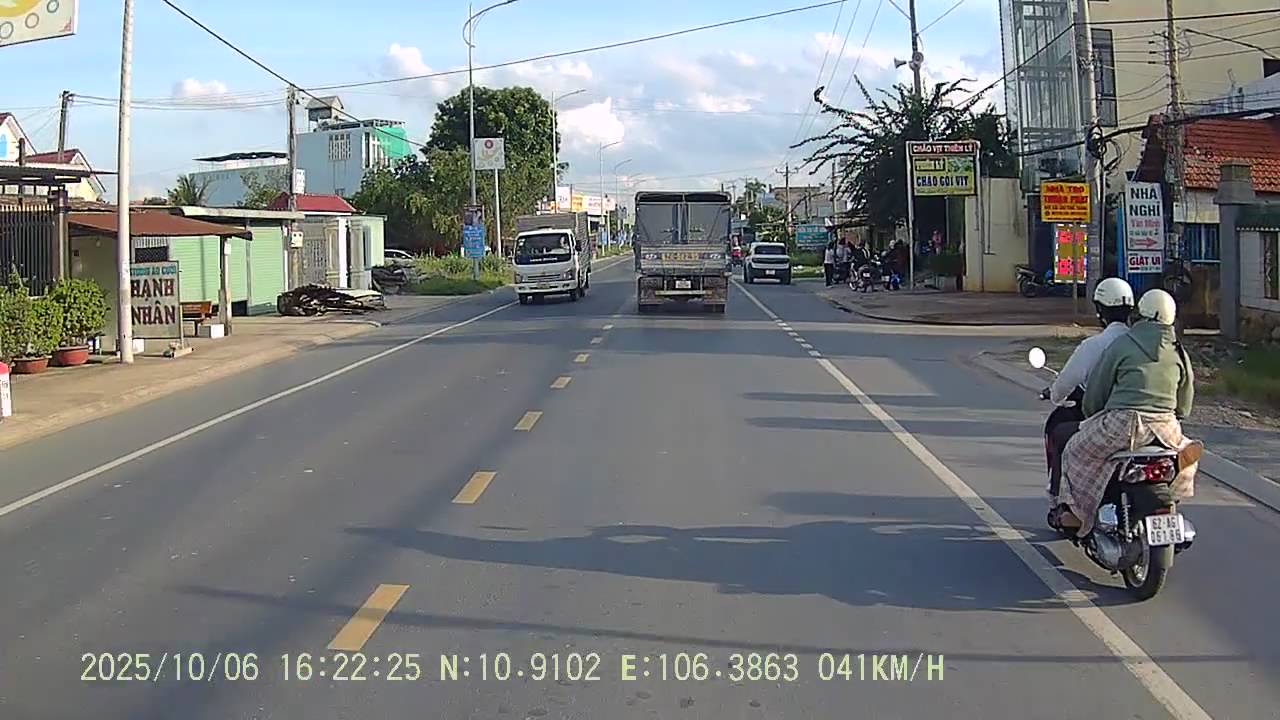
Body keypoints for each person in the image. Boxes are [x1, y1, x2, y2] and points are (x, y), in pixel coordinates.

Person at [1053, 289, 1204, 535]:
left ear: (1141, 314)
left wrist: (1092, 415)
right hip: (1166, 426)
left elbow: (1097, 392)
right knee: (1180, 450)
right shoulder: (1179, 352)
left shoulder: (1123, 345)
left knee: (1074, 451)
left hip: (1124, 423)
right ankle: (1175, 480)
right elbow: (1184, 404)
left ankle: (1077, 514)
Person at [1043, 277, 1135, 500]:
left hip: (1114, 421)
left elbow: (1070, 384)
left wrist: (1055, 395)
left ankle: (1062, 497)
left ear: (1100, 310)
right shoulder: (1146, 346)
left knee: (1062, 433)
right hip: (1159, 423)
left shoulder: (1096, 346)